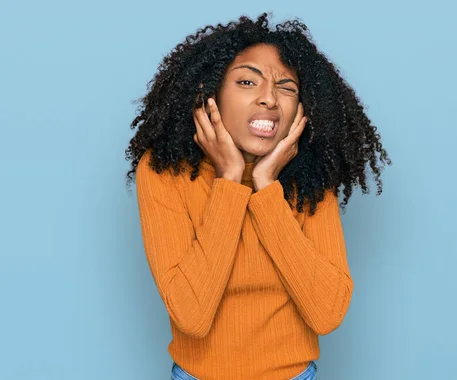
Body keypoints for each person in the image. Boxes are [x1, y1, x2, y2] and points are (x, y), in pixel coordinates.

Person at [125, 12, 391, 380]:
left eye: (287, 87)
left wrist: (266, 186)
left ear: (302, 108)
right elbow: (192, 315)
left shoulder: (309, 178)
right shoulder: (163, 171)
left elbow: (328, 312)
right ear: (209, 95)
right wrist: (231, 181)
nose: (269, 98)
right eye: (247, 81)